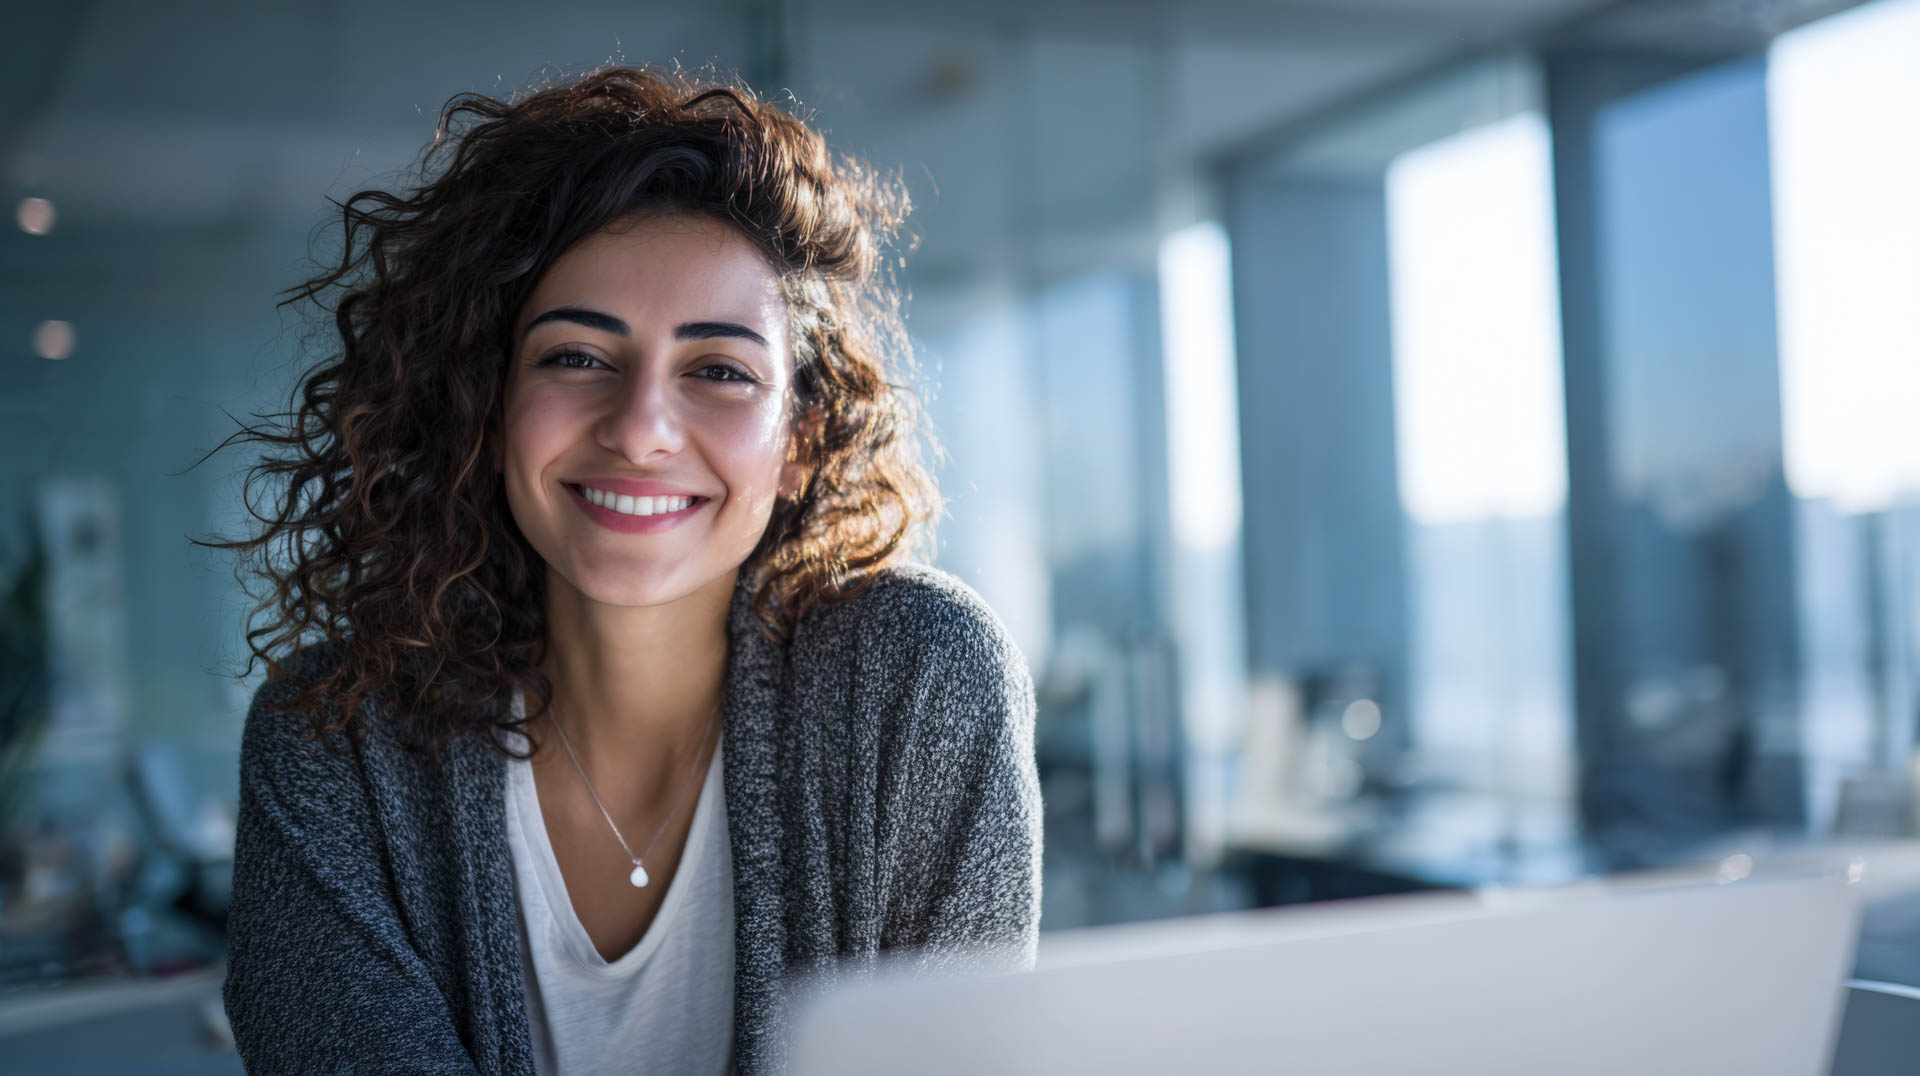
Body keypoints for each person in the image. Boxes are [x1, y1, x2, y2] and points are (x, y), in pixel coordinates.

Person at [202, 65, 1043, 1076]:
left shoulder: (917, 685)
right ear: (488, 401)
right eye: (577, 356)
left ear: (799, 445)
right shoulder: (335, 745)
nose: (641, 428)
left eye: (720, 370)